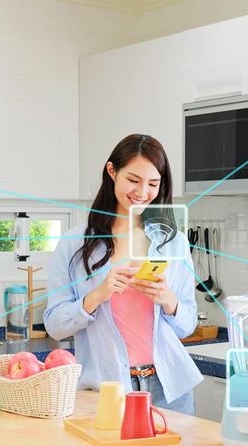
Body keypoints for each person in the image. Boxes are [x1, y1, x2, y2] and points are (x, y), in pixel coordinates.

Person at [44, 134, 201, 415]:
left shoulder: (172, 241)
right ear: (112, 171)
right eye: (133, 180)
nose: (142, 192)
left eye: (153, 184)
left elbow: (187, 324)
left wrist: (169, 300)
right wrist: (96, 296)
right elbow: (55, 326)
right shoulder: (74, 242)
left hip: (170, 390)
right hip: (108, 390)